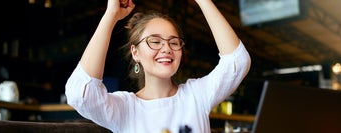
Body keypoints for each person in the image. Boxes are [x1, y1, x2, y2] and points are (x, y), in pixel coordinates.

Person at [65, 0, 251, 132]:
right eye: (155, 41)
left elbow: (237, 62)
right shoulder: (125, 108)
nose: (166, 48)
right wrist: (111, 15)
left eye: (173, 42)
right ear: (135, 52)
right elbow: (80, 93)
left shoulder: (196, 96)